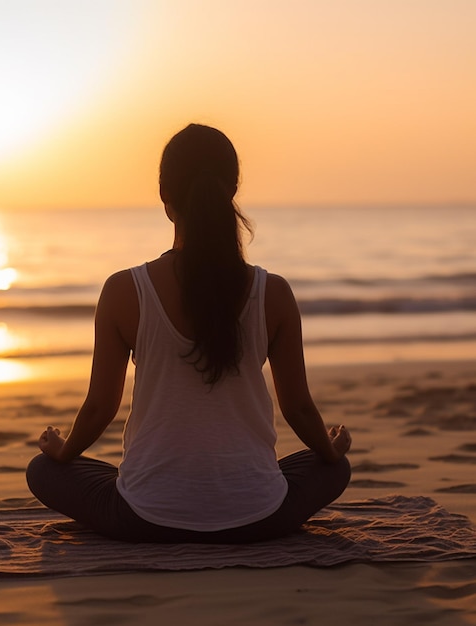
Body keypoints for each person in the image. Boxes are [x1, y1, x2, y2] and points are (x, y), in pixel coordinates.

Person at [26, 123, 351, 543]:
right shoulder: (274, 292)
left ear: (165, 195)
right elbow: (300, 410)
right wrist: (329, 452)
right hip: (259, 518)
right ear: (231, 190)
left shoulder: (125, 290)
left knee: (42, 471)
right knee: (335, 468)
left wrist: (64, 452)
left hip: (146, 519)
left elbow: (99, 408)